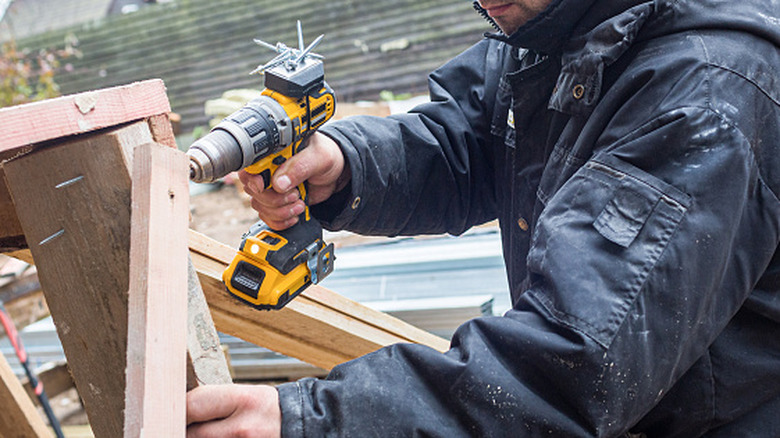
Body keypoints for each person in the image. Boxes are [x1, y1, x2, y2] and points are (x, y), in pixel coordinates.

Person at [186, 0, 780, 436]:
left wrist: (306, 422)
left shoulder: (704, 95)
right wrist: (347, 166)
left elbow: (575, 360)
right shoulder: (549, 26)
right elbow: (469, 139)